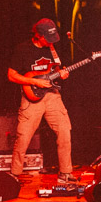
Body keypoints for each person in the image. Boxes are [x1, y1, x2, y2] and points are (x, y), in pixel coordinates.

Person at [8, 18, 77, 185]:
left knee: (65, 131)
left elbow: (56, 69)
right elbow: (11, 75)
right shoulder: (23, 49)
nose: (50, 42)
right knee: (23, 137)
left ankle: (65, 172)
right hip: (32, 97)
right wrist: (35, 82)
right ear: (38, 36)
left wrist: (62, 73)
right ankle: (14, 174)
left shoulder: (52, 48)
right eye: (47, 38)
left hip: (52, 96)